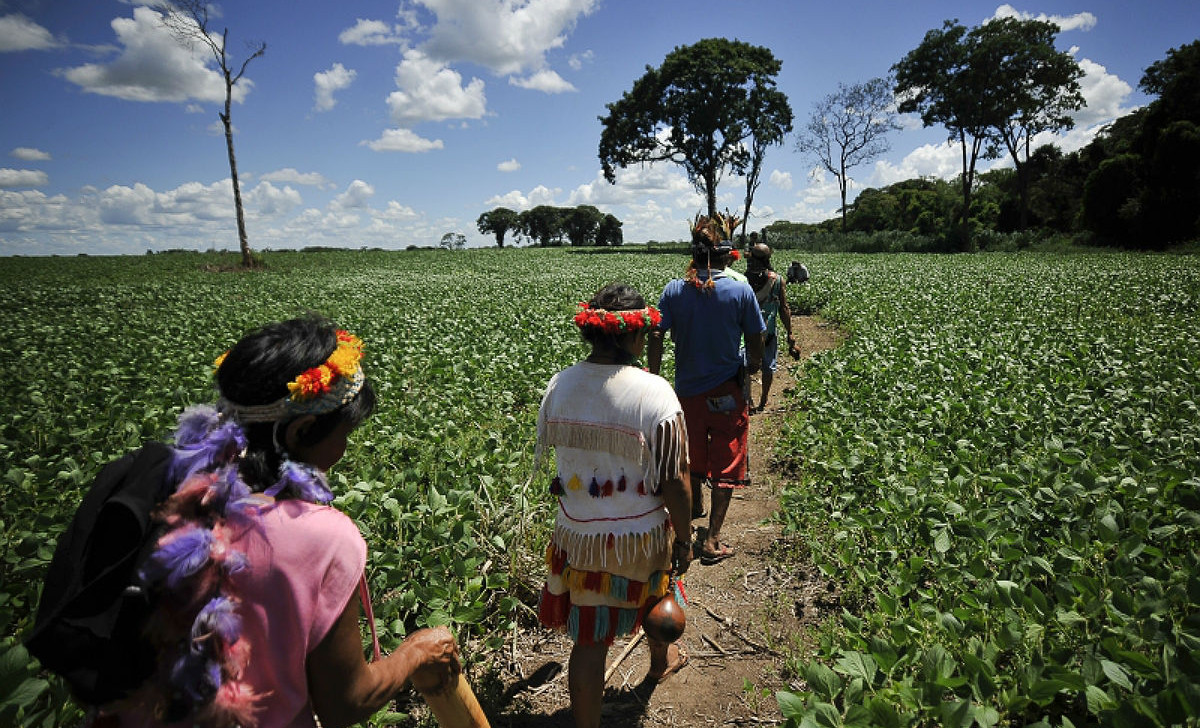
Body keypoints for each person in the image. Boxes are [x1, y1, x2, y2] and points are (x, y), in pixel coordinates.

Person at [97, 315, 460, 728]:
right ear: (302, 430)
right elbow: (345, 703)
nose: (345, 446)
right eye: (344, 432)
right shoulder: (322, 536)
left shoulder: (162, 490)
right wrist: (416, 652)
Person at [537, 283, 694, 728]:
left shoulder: (561, 385)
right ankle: (661, 662)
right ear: (633, 335)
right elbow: (675, 483)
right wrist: (684, 538)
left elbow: (559, 465)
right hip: (639, 538)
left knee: (589, 642)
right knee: (657, 596)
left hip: (579, 538)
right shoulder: (654, 392)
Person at [648, 213, 765, 566]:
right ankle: (712, 539)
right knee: (727, 461)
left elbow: (656, 332)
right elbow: (756, 336)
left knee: (691, 454)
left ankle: (694, 505)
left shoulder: (673, 289)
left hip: (685, 394)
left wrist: (653, 375)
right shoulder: (740, 289)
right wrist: (755, 365)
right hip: (727, 392)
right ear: (726, 253)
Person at [746, 243, 800, 413]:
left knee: (745, 365)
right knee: (768, 366)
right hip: (768, 332)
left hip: (746, 332)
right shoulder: (777, 280)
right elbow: (784, 308)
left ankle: (748, 400)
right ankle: (763, 400)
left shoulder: (742, 280)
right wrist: (789, 333)